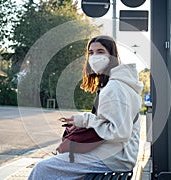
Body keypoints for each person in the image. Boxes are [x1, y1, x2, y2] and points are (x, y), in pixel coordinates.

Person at [28, 35, 143, 179]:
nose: (94, 57)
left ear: (112, 56)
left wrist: (86, 120)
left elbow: (120, 132)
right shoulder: (115, 84)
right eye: (91, 53)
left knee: (43, 169)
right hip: (117, 154)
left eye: (100, 52)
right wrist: (81, 120)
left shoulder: (114, 87)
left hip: (114, 158)